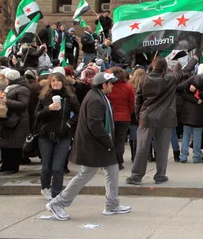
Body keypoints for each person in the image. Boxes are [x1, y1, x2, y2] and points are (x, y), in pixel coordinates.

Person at [45, 72, 130, 221]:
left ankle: (112, 204)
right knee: (85, 174)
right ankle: (57, 203)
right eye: (110, 84)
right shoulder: (95, 99)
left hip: (99, 144)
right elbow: (95, 124)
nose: (112, 86)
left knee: (112, 170)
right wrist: (109, 142)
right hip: (95, 145)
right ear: (103, 85)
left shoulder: (99, 96)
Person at [126, 55, 198, 185]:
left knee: (142, 148)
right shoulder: (170, 78)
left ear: (153, 66)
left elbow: (138, 100)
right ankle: (160, 175)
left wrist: (138, 115)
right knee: (162, 149)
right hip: (165, 117)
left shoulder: (143, 79)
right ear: (165, 67)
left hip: (147, 116)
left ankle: (136, 175)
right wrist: (194, 58)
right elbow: (185, 71)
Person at [35, 72, 80, 200]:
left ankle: (56, 193)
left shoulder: (69, 97)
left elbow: (78, 112)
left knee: (58, 167)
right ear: (50, 83)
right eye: (53, 81)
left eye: (58, 81)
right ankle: (45, 188)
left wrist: (69, 124)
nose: (56, 83)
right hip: (45, 136)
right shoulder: (44, 97)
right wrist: (48, 109)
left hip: (63, 136)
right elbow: (37, 115)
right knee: (46, 166)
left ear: (63, 83)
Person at [0, 70, 31, 174]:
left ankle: (12, 166)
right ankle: (6, 165)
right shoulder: (9, 88)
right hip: (9, 120)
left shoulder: (22, 89)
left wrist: (6, 101)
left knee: (14, 146)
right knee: (6, 145)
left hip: (18, 121)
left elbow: (23, 104)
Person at [107, 67, 135, 170]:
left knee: (110, 139)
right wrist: (129, 112)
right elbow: (132, 103)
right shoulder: (128, 87)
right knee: (120, 141)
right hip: (124, 117)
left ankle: (110, 161)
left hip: (110, 116)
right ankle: (118, 162)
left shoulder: (109, 87)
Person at [128, 68, 147, 163]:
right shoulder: (146, 85)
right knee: (142, 135)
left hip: (132, 113)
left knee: (133, 134)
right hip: (143, 112)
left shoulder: (129, 85)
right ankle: (141, 155)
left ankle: (133, 155)